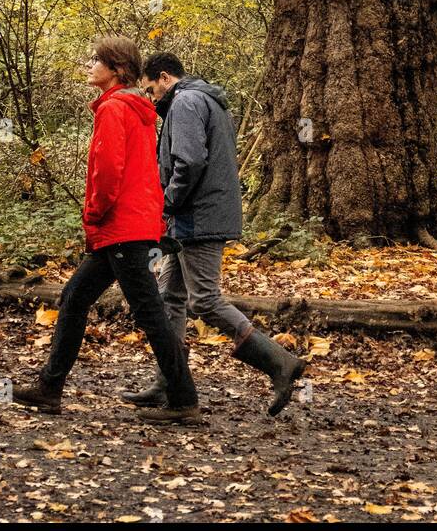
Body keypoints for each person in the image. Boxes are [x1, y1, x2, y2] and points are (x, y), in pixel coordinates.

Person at [11, 36, 200, 425]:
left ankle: (183, 400)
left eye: (97, 60)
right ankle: (50, 388)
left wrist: (94, 214)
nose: (90, 64)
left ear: (116, 69)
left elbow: (108, 173)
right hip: (129, 225)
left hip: (121, 226)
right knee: (76, 298)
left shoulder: (115, 108)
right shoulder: (135, 108)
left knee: (150, 313)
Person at [121, 52, 306, 416]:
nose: (151, 99)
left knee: (204, 299)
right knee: (168, 298)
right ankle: (170, 383)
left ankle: (279, 363)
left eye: (151, 91)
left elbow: (189, 162)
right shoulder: (206, 100)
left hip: (197, 217)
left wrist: (167, 203)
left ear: (163, 77)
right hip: (193, 216)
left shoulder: (186, 102)